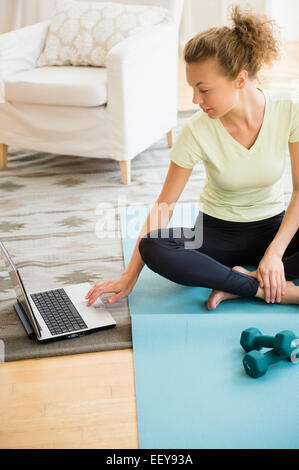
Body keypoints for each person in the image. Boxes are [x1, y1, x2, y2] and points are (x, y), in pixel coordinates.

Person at [86, 5, 299, 310]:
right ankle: (264, 289)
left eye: (203, 90)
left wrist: (275, 254)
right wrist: (129, 276)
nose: (195, 100)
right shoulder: (196, 131)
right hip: (216, 237)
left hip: (274, 230)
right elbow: (163, 207)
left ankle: (240, 283)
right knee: (154, 246)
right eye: (192, 89)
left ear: (240, 80)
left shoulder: (289, 109)